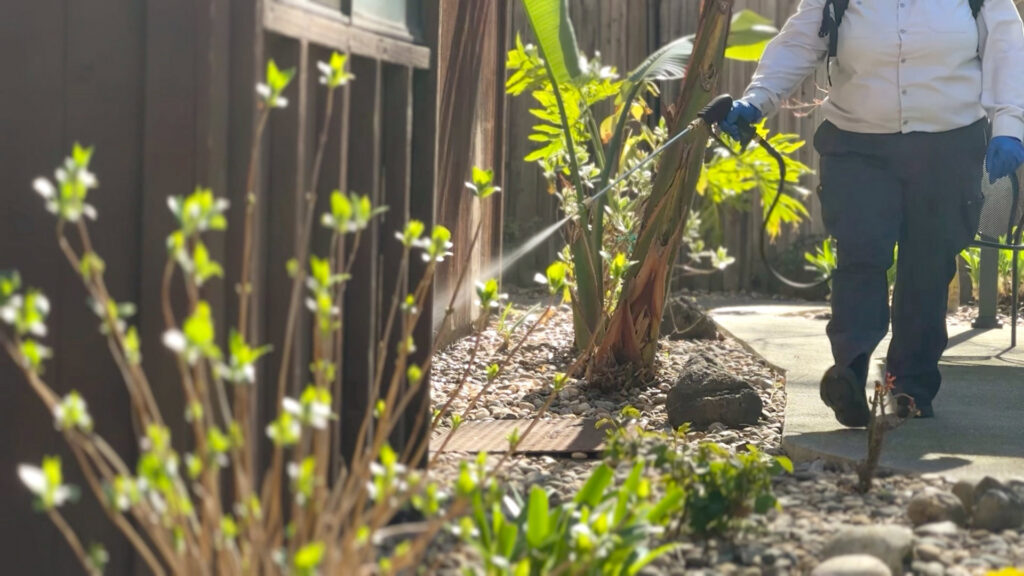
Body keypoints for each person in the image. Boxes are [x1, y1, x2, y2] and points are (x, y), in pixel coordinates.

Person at [719, 0, 1024, 426]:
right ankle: (850, 370)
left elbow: (1007, 50)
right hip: (857, 146)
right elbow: (800, 42)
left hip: (948, 147)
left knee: (928, 267)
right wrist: (755, 103)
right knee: (860, 255)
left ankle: (910, 387)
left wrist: (1009, 126)